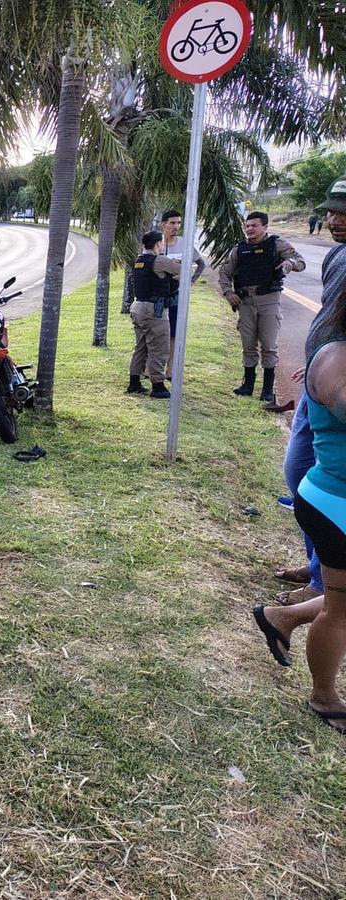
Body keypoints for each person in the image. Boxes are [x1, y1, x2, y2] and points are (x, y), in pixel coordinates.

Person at [252, 179, 346, 731]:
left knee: (342, 603)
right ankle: (324, 696)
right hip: (333, 502)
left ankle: (281, 614)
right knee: (340, 610)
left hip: (329, 497)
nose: (335, 220)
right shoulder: (335, 357)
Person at [276, 176, 346, 605]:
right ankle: (318, 562)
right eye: (331, 211)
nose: (334, 219)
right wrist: (318, 357)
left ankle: (323, 583)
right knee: (300, 474)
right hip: (321, 379)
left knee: (325, 480)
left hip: (337, 387)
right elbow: (331, 317)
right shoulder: (338, 256)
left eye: (343, 212)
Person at [218, 211, 306, 403]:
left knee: (268, 346)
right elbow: (224, 273)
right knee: (248, 345)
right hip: (245, 303)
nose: (249, 229)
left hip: (269, 301)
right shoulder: (239, 250)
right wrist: (228, 292)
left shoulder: (277, 245)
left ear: (265, 227)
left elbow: (300, 262)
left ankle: (267, 389)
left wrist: (289, 263)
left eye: (254, 226)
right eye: (247, 226)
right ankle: (247, 385)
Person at [127, 231, 180, 399]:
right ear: (158, 244)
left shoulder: (139, 260)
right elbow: (183, 270)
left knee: (141, 347)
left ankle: (134, 382)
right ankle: (158, 386)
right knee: (159, 348)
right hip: (154, 310)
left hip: (138, 307)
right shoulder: (160, 260)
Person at [158, 208, 206, 379]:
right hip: (157, 295)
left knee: (173, 332)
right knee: (155, 332)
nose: (175, 226)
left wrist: (190, 282)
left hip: (176, 295)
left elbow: (201, 264)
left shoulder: (184, 243)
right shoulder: (156, 243)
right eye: (172, 223)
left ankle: (170, 370)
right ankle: (149, 369)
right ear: (163, 224)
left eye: (178, 223)